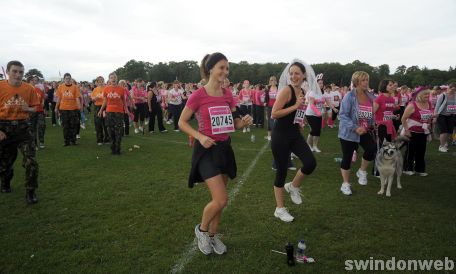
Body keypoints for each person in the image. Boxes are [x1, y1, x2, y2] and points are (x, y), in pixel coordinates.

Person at [178, 52, 252, 255]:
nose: (225, 71)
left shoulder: (228, 94)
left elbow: (234, 124)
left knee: (221, 200)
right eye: (221, 67)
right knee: (221, 199)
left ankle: (212, 236)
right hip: (206, 150)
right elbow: (182, 122)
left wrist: (242, 122)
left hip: (224, 149)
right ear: (210, 69)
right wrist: (199, 136)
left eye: (227, 68)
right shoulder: (198, 95)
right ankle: (201, 230)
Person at [270, 59, 317, 222]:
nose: (294, 76)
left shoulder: (302, 93)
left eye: (297, 73)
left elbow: (297, 114)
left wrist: (300, 121)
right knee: (281, 172)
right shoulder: (286, 91)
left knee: (310, 162)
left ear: (304, 75)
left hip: (294, 134)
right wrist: (294, 107)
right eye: (291, 73)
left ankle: (294, 186)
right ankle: (280, 209)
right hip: (280, 135)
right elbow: (274, 113)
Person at [0, 60, 40, 204]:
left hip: (23, 128)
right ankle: (5, 181)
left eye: (21, 72)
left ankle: (31, 192)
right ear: (8, 72)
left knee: (31, 161)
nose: (18, 75)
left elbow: (36, 108)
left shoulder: (29, 88)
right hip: (4, 127)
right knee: (5, 163)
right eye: (15, 71)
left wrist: (27, 109)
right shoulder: (1, 86)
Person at [338, 71, 377, 196]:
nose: (366, 82)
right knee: (347, 158)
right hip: (349, 132)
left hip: (364, 130)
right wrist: (355, 128)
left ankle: (362, 171)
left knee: (371, 148)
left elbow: (372, 113)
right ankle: (345, 184)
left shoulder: (371, 97)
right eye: (363, 80)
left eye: (367, 80)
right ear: (356, 82)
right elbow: (342, 115)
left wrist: (372, 124)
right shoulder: (349, 96)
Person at [402, 87, 433, 176]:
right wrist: (407, 130)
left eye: (428, 94)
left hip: (423, 131)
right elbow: (403, 119)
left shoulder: (429, 104)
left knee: (421, 150)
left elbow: (429, 117)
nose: (427, 96)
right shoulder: (412, 105)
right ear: (419, 95)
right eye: (425, 94)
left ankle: (420, 169)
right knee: (410, 150)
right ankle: (407, 168)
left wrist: (429, 125)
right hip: (412, 131)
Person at [372, 79, 398, 176]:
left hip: (389, 126)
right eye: (390, 85)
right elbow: (372, 113)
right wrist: (374, 125)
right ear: (384, 86)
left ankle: (384, 168)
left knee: (387, 148)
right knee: (379, 148)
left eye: (393, 85)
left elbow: (388, 113)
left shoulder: (392, 99)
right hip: (380, 126)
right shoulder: (379, 98)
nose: (392, 87)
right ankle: (376, 171)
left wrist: (393, 116)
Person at [98, 73, 128, 155]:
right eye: (111, 78)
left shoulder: (121, 89)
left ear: (117, 79)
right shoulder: (106, 89)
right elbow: (105, 101)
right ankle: (113, 148)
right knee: (110, 131)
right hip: (109, 112)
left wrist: (126, 110)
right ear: (109, 79)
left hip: (119, 112)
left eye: (114, 77)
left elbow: (124, 101)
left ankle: (118, 149)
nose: (113, 79)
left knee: (118, 131)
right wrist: (101, 110)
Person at [55, 73, 81, 146]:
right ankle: (66, 141)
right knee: (65, 126)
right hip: (63, 109)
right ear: (64, 79)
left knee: (73, 125)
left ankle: (73, 141)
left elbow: (77, 98)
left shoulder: (75, 87)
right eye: (66, 78)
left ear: (71, 79)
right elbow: (59, 98)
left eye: (69, 78)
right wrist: (56, 107)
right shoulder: (60, 87)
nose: (68, 80)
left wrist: (79, 107)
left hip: (73, 109)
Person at [434, 83, 456, 152]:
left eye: (455, 90)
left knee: (449, 131)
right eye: (452, 89)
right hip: (441, 115)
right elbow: (437, 106)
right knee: (444, 131)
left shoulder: (455, 95)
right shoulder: (442, 95)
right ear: (448, 88)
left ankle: (444, 142)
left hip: (451, 115)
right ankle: (441, 146)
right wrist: (435, 116)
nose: (453, 91)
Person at [28, 75, 46, 149]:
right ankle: (34, 144)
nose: (35, 81)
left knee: (42, 125)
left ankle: (41, 141)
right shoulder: (26, 90)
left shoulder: (38, 89)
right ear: (29, 81)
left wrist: (43, 103)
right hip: (31, 112)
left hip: (40, 111)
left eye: (36, 80)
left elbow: (42, 98)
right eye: (33, 80)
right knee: (32, 128)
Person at [91, 76, 109, 145]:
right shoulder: (95, 89)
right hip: (97, 107)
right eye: (99, 81)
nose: (101, 82)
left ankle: (107, 139)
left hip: (105, 107)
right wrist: (96, 98)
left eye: (102, 80)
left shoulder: (107, 88)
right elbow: (92, 99)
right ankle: (99, 140)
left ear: (104, 81)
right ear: (97, 82)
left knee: (106, 123)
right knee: (98, 123)